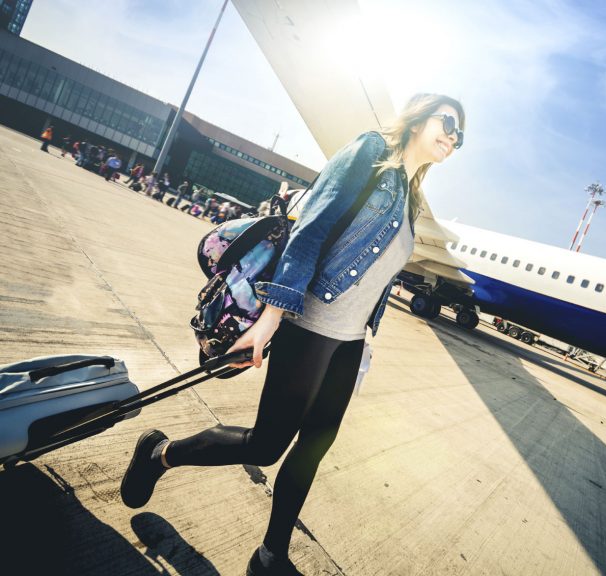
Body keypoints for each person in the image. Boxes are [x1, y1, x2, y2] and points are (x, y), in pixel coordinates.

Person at [120, 93, 465, 575]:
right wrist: (271, 317)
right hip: (309, 325)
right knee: (266, 446)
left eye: (459, 135)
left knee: (314, 447)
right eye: (447, 122)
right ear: (418, 117)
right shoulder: (371, 152)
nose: (453, 136)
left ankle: (270, 556)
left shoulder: (411, 198)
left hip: (349, 341)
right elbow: (312, 229)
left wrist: (365, 336)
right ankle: (158, 455)